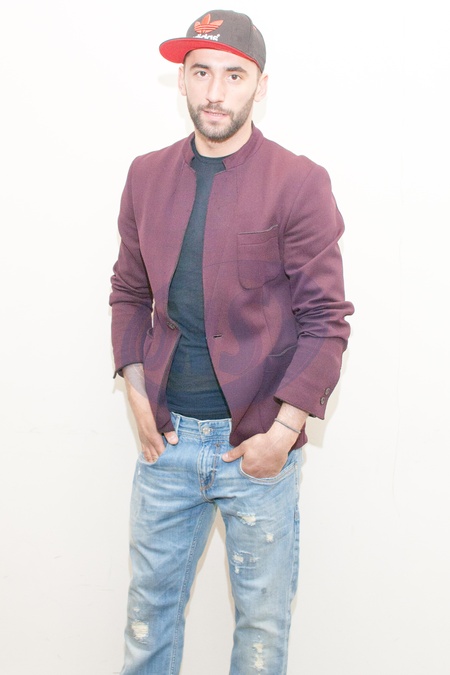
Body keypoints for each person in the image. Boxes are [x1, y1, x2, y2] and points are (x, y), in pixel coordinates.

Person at [110, 9, 354, 674]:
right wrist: (135, 391)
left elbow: (327, 318)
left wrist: (284, 433)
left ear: (260, 85)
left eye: (233, 75)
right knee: (146, 624)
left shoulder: (298, 182)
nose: (215, 92)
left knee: (261, 635)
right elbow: (129, 290)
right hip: (166, 443)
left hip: (257, 448)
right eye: (201, 73)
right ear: (182, 81)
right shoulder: (145, 175)